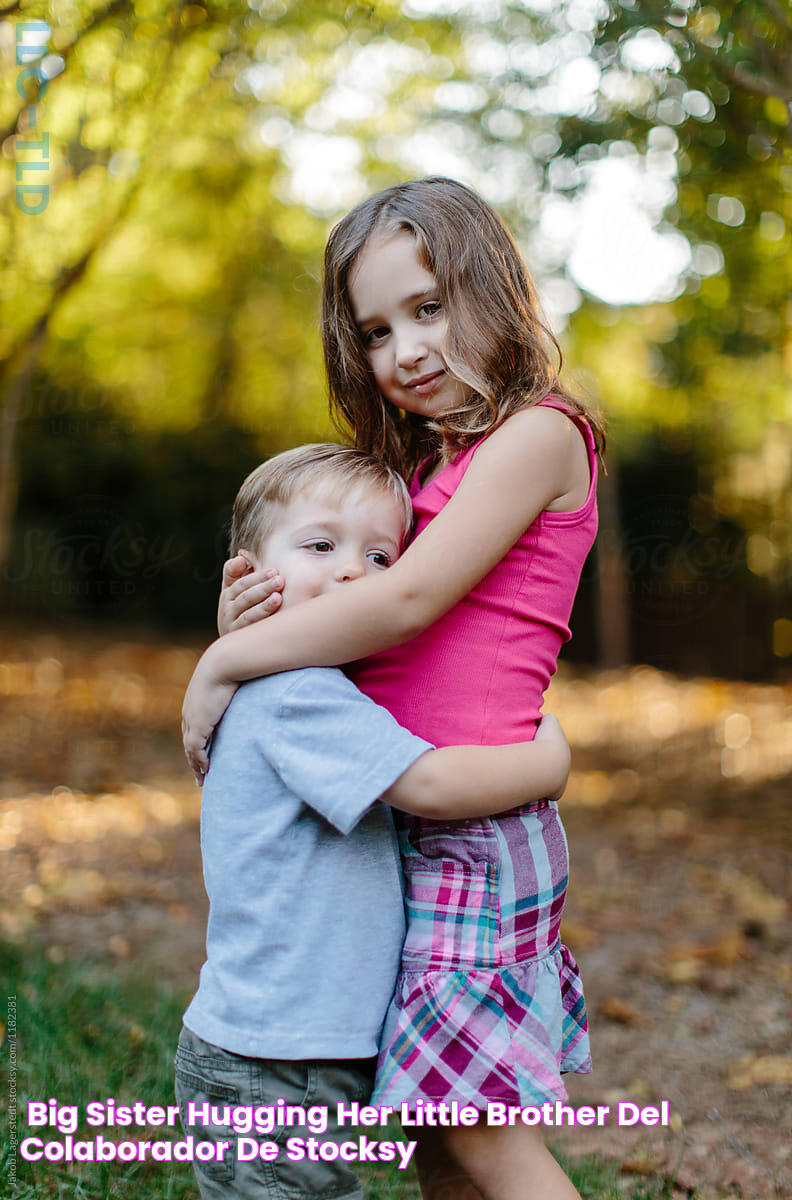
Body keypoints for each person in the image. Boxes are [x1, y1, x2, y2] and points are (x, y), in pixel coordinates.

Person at [182, 177, 603, 1200]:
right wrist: (259, 621)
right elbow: (353, 605)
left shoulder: (538, 435)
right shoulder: (425, 469)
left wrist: (222, 663)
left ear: (493, 289)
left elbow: (407, 599)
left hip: (470, 816)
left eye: (428, 307)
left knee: (476, 1131)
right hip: (409, 811)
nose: (405, 349)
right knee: (429, 1125)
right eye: (374, 331)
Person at [177, 442, 573, 1200]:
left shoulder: (309, 684)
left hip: (291, 1049)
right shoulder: (296, 696)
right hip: (269, 1064)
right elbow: (429, 783)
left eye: (383, 557)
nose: (355, 571)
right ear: (247, 578)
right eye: (321, 546)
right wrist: (548, 765)